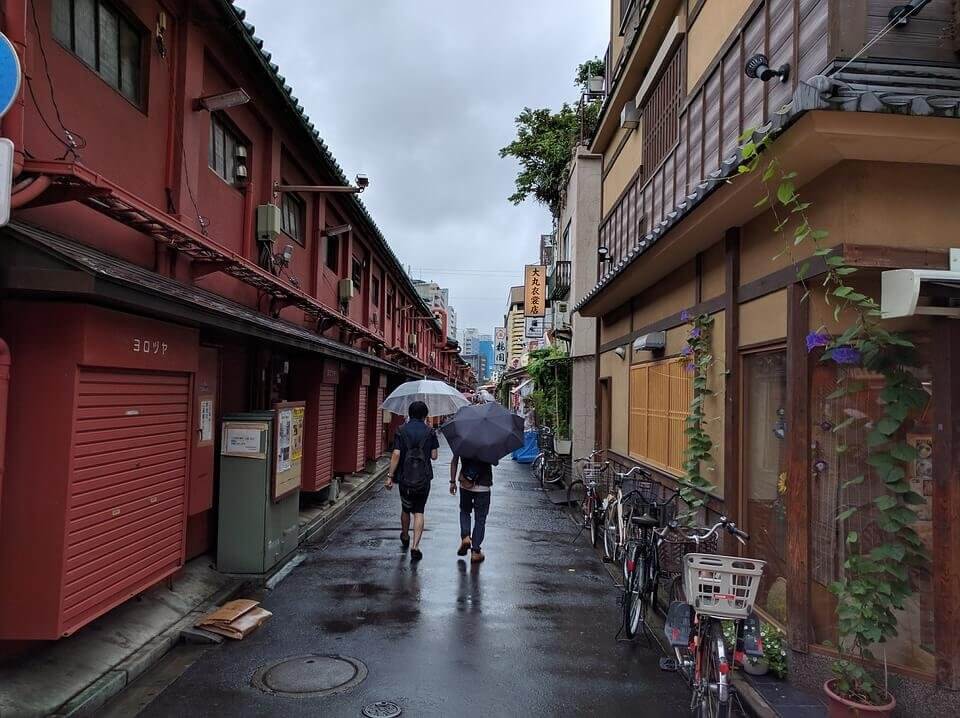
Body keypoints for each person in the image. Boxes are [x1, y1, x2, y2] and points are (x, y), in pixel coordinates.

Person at [385, 400, 438, 561]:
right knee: (419, 511)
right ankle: (415, 546)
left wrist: (389, 476)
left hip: (404, 478)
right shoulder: (430, 431)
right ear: (425, 415)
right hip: (424, 478)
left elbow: (396, 454)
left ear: (409, 413)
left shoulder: (401, 430)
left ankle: (405, 535)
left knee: (406, 508)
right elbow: (434, 456)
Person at [449, 454, 493, 563]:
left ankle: (465, 537)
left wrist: (453, 482)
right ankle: (476, 551)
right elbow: (494, 460)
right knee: (480, 519)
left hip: (465, 483)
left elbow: (454, 461)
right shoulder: (489, 442)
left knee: (464, 511)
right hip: (483, 485)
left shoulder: (463, 440)